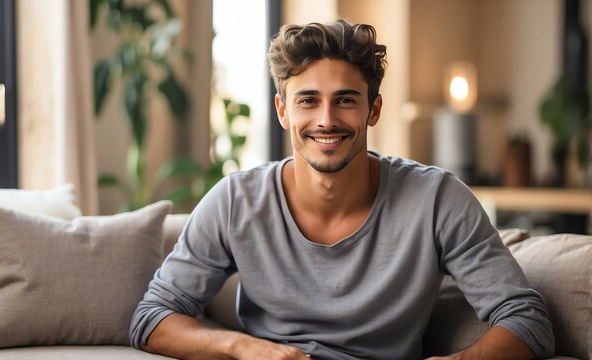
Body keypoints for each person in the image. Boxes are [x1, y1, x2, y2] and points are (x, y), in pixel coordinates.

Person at [129, 19, 554, 359]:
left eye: (346, 100)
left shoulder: (438, 200)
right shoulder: (234, 201)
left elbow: (527, 320)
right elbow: (151, 318)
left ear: (373, 109)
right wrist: (243, 347)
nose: (326, 119)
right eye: (308, 100)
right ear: (282, 111)